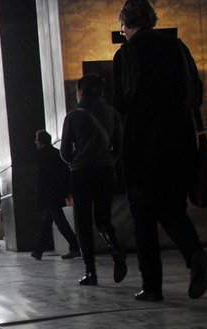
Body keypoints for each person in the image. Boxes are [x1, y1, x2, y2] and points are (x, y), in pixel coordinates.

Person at [113, 0, 207, 300]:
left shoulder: (126, 54)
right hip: (179, 140)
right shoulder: (178, 48)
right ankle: (193, 253)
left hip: (142, 144)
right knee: (171, 207)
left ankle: (152, 286)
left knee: (143, 215)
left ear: (126, 24)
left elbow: (121, 105)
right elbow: (197, 93)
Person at [60, 73, 127, 286]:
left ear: (81, 92)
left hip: (81, 173)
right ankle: (115, 250)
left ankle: (91, 272)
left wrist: (76, 160)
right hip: (105, 171)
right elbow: (119, 146)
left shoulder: (73, 116)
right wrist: (108, 159)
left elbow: (64, 152)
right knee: (103, 218)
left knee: (83, 223)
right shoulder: (111, 113)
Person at [32, 130, 80, 260]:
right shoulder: (56, 153)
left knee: (60, 222)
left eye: (37, 141)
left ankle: (75, 246)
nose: (36, 143)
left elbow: (45, 179)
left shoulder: (43, 156)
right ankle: (38, 251)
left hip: (50, 195)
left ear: (41, 142)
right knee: (47, 223)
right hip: (56, 193)